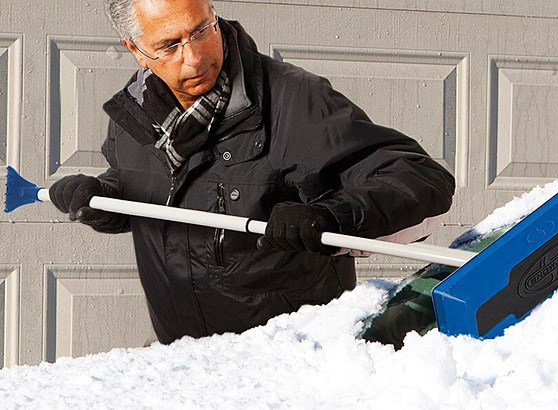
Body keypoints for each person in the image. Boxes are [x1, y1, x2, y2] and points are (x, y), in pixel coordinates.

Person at [49, 0, 456, 345]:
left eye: (201, 30)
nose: (195, 57)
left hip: (289, 358)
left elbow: (420, 179)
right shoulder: (134, 116)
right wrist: (102, 197)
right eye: (170, 45)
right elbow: (154, 190)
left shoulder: (293, 101)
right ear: (137, 50)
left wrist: (331, 215)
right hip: (184, 359)